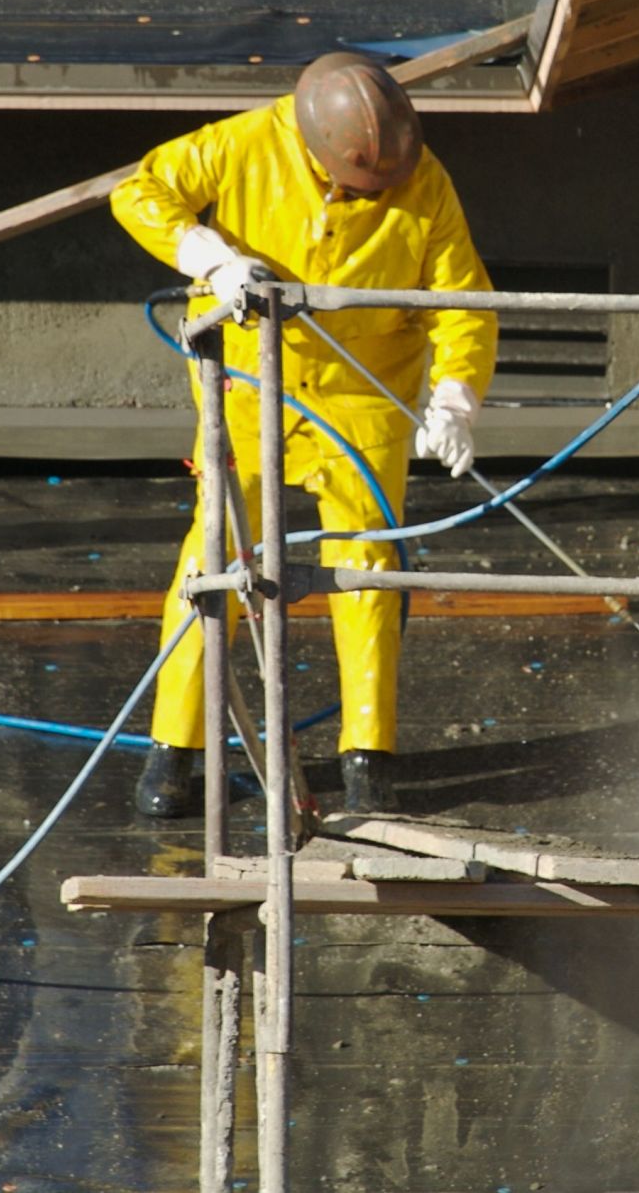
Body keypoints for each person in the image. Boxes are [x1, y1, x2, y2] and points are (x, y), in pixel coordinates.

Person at [111, 52, 498, 818]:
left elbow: (461, 301)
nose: (376, 196)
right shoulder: (244, 145)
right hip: (251, 389)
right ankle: (174, 749)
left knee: (366, 569)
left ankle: (368, 758)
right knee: (213, 558)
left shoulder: (426, 183)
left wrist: (454, 398)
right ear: (316, 150)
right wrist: (212, 260)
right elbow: (138, 189)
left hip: (364, 394)